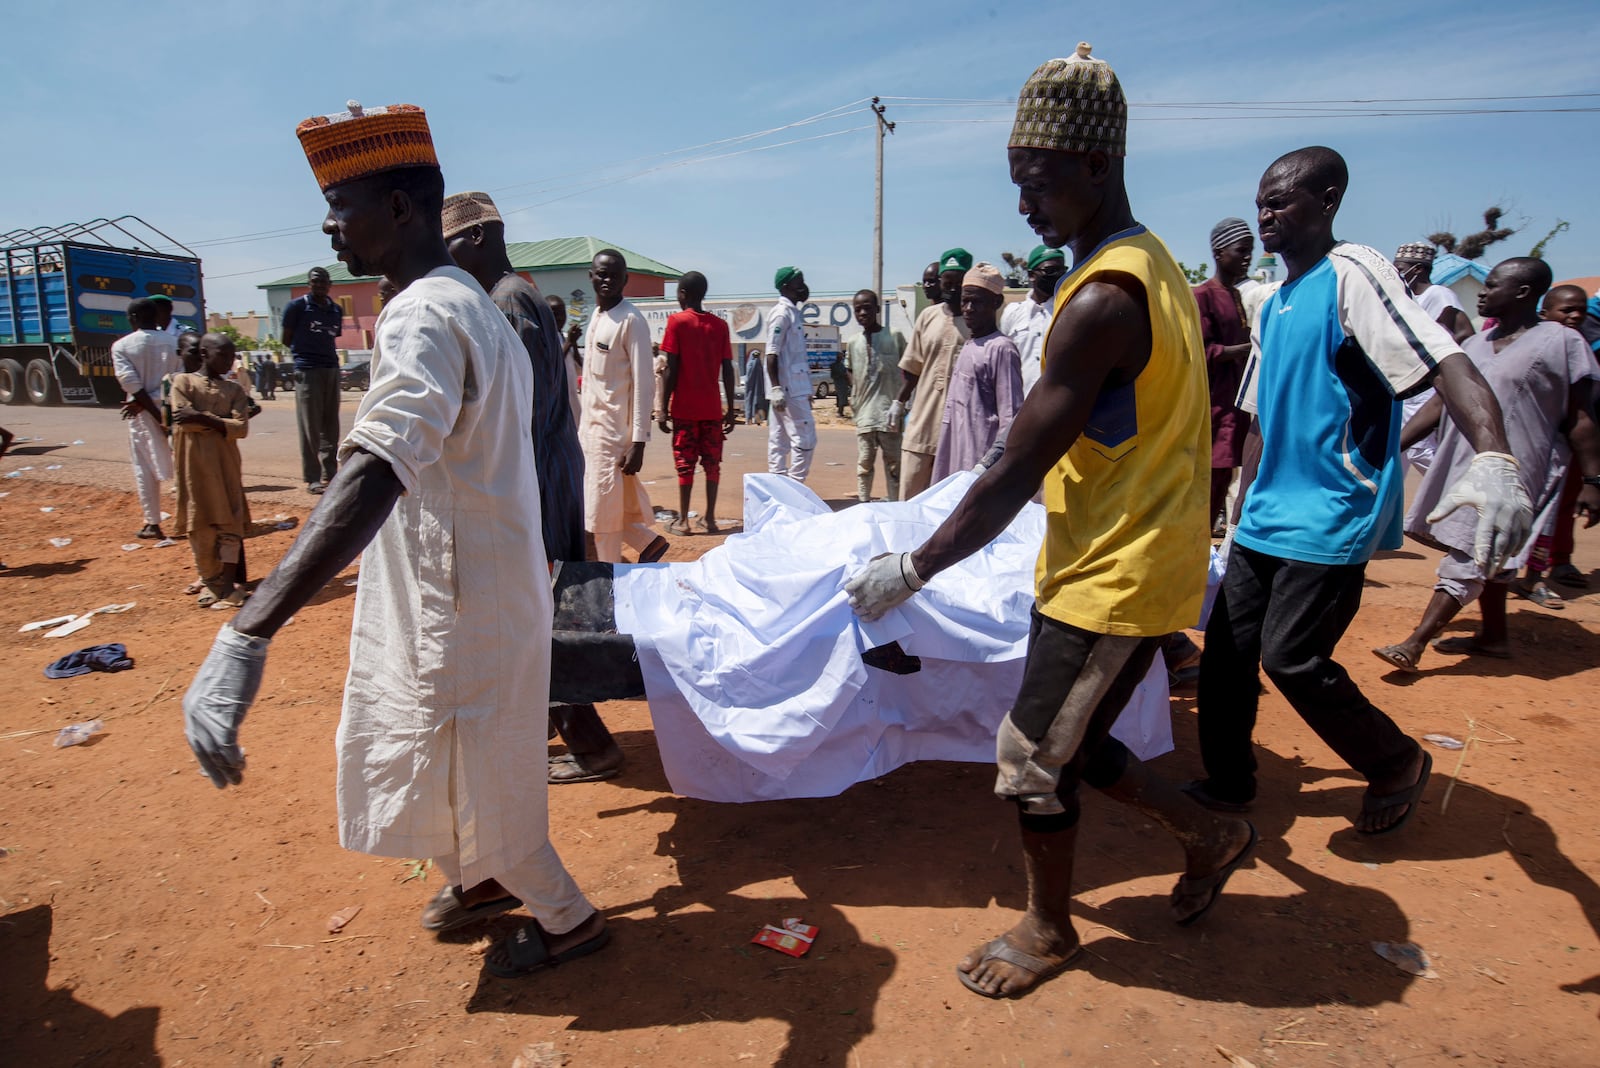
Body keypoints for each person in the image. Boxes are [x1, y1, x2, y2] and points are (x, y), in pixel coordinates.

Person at [844, 46, 1255, 1001]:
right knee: (1077, 737)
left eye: (1037, 186)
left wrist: (913, 567)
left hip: (1120, 571)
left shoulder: (1104, 300)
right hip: (1105, 550)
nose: (1024, 208)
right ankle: (1210, 831)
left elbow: (1015, 463)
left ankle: (1048, 927)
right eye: (1017, 185)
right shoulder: (1145, 260)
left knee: (1029, 759)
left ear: (1095, 167)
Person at [181, 100, 608, 980]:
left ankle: (568, 919)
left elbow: (376, 467)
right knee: (442, 746)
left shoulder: (425, 316)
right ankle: (479, 879)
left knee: (480, 761)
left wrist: (248, 630)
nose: (333, 230)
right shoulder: (462, 304)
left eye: (343, 208)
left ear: (403, 210)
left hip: (466, 598)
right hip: (461, 584)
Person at [1190, 147, 1531, 836]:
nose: (1268, 213)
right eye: (1262, 201)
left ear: (1329, 200)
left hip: (1331, 509)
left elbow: (1446, 361)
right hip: (1265, 512)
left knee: (1292, 657)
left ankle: (1396, 761)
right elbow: (1256, 417)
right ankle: (1229, 782)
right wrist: (1239, 504)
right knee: (1226, 653)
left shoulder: (1354, 274)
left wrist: (1495, 456)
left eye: (1283, 199)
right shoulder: (1276, 299)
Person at [442, 191, 623, 785]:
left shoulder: (508, 301)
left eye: (449, 244)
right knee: (535, 612)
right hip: (541, 475)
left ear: (477, 238)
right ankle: (548, 720)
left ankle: (590, 743)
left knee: (533, 614)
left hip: (536, 482)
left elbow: (516, 408)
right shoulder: (508, 297)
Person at [1372, 259, 1600, 669]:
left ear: (1523, 293)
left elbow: (1581, 419)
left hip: (1522, 466)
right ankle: (1494, 637)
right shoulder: (1476, 344)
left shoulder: (1562, 342)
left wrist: (1594, 480)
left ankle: (1415, 643)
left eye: (1492, 285)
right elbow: (1443, 403)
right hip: (1464, 464)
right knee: (1491, 549)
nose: (1481, 291)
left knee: (1473, 548)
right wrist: (1390, 448)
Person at [580, 249, 669, 563]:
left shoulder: (631, 320)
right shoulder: (596, 317)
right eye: (601, 274)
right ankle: (647, 543)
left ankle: (611, 580)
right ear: (591, 276)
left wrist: (639, 441)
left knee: (601, 519)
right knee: (600, 506)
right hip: (588, 434)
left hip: (614, 436)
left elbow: (645, 383)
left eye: (614, 275)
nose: (606, 280)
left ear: (625, 280)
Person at [1520, 283, 1597, 595]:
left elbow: (1582, 410)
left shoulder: (1578, 345)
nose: (1575, 316)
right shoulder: (1532, 345)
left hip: (1564, 446)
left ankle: (1535, 575)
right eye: (1567, 310)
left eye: (1580, 309)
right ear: (1544, 312)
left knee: (1551, 514)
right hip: (1534, 443)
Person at [171, 333, 252, 609]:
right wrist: (221, 423)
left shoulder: (234, 390)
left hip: (226, 464)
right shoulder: (183, 382)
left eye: (232, 357)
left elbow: (240, 428)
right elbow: (182, 419)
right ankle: (212, 582)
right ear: (204, 354)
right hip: (194, 466)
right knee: (200, 523)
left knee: (230, 522)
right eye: (223, 355)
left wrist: (202, 417)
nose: (229, 362)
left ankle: (229, 584)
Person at [658, 271, 737, 535]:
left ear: (682, 294)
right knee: (712, 463)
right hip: (712, 409)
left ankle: (683, 521)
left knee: (685, 462)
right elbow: (728, 369)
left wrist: (662, 408)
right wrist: (731, 411)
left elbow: (671, 368)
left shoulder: (677, 323)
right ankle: (710, 518)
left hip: (684, 408)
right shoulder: (720, 326)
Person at [931, 263, 1023, 481]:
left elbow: (1010, 416)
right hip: (957, 453)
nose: (969, 308)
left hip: (981, 461)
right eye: (965, 301)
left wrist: (990, 466)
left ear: (996, 302)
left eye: (977, 302)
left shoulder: (1001, 348)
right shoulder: (970, 345)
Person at [1192, 218, 1255, 535]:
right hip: (1212, 410)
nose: (1248, 257)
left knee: (1224, 482)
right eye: (1241, 250)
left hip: (1233, 407)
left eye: (1250, 251)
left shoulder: (1235, 296)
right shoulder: (1202, 296)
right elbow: (1195, 353)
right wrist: (1242, 350)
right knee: (1207, 484)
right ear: (1219, 252)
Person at [895, 248, 973, 499]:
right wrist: (898, 402)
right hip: (922, 426)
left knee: (948, 506)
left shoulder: (977, 322)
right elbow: (912, 368)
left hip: (960, 433)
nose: (952, 288)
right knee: (910, 497)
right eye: (946, 282)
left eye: (958, 283)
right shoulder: (927, 317)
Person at [111, 297, 178, 540]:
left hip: (141, 415)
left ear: (134, 319)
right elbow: (178, 380)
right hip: (174, 411)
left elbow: (130, 383)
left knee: (144, 469)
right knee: (184, 465)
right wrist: (161, 413)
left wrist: (145, 405)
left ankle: (153, 522)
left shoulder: (122, 346)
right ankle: (189, 519)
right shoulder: (174, 342)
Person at [281, 265, 345, 494]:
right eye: (315, 281)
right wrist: (305, 355)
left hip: (331, 369)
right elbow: (286, 339)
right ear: (309, 284)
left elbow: (333, 336)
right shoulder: (296, 307)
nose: (319, 285)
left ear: (330, 285)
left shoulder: (335, 310)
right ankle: (313, 477)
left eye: (323, 281)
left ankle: (331, 473)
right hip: (308, 370)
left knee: (331, 426)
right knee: (310, 425)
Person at [845, 289, 904, 502]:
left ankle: (896, 506)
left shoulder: (894, 336)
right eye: (857, 309)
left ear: (877, 309)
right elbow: (849, 368)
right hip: (864, 415)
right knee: (864, 465)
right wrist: (855, 394)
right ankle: (863, 503)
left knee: (894, 466)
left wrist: (902, 401)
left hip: (889, 413)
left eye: (867, 308)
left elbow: (908, 368)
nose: (862, 313)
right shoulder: (853, 342)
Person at [765, 267, 817, 481]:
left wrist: (807, 390)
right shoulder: (781, 314)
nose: (803, 287)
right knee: (805, 439)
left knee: (780, 441)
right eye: (799, 282)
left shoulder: (793, 313)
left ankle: (779, 487)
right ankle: (795, 486)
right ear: (786, 287)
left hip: (795, 389)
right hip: (788, 390)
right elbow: (771, 354)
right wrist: (776, 388)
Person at [999, 244, 1066, 395]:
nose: (1057, 275)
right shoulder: (1013, 312)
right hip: (1020, 404)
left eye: (1062, 271)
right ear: (1031, 275)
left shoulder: (1068, 310)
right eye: (1049, 271)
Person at [545, 293, 583, 428]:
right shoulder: (544, 338)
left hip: (572, 400)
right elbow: (552, 364)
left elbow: (580, 366)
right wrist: (568, 343)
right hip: (555, 403)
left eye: (562, 313)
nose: (560, 318)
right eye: (555, 314)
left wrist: (574, 344)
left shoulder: (565, 336)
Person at [743, 348, 767, 426]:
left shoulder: (754, 364)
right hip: (752, 388)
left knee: (756, 403)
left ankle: (756, 419)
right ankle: (750, 419)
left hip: (757, 388)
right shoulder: (754, 364)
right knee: (752, 402)